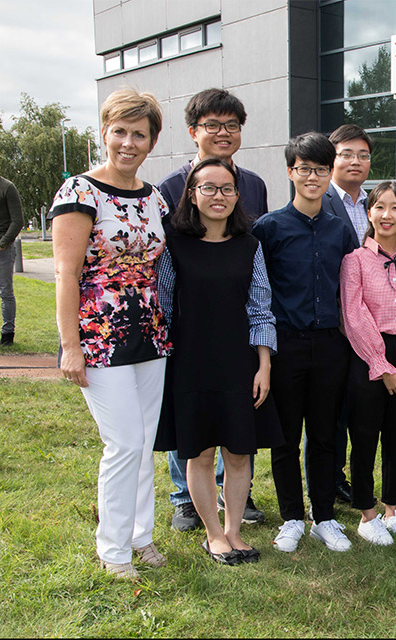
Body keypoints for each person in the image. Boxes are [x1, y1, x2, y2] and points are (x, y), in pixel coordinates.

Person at [49, 89, 172, 580]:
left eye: (138, 134)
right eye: (119, 131)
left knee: (143, 443)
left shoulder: (153, 196)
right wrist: (70, 347)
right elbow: (65, 273)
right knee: (122, 443)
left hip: (151, 334)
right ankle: (112, 548)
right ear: (103, 134)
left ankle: (140, 535)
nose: (128, 142)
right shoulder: (79, 192)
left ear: (152, 141)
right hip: (99, 336)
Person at [155, 158, 283, 565]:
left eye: (227, 188)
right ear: (191, 194)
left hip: (239, 364)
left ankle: (233, 532)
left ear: (237, 196)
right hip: (190, 363)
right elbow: (163, 306)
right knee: (200, 453)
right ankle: (213, 535)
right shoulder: (173, 244)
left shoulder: (250, 246)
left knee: (239, 452)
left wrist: (263, 365)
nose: (219, 196)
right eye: (208, 188)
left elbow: (261, 309)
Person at [252, 132, 359, 553]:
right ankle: (292, 517)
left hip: (331, 345)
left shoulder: (340, 229)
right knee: (285, 437)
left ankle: (325, 517)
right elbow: (257, 291)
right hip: (285, 345)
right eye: (304, 169)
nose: (312, 177)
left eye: (320, 169)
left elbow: (350, 288)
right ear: (290, 172)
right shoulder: (269, 228)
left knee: (325, 434)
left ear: (329, 172)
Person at [340, 181, 396, 545]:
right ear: (369, 213)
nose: (386, 215)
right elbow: (353, 314)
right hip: (366, 356)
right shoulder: (355, 260)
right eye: (379, 207)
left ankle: (391, 509)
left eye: (395, 208)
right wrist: (383, 365)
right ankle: (366, 513)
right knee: (363, 435)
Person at [320, 123, 376, 506]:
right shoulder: (319, 199)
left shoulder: (375, 203)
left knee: (361, 408)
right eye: (346, 154)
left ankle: (356, 479)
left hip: (372, 324)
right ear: (331, 159)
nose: (355, 161)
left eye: (363, 155)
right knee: (330, 412)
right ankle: (330, 480)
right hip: (334, 324)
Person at [0, 174, 23, 346]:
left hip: (3, 250)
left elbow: (18, 221)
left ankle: (8, 333)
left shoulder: (7, 187)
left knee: (5, 291)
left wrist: (3, 243)